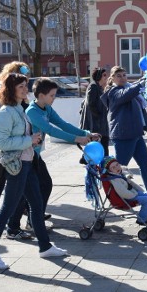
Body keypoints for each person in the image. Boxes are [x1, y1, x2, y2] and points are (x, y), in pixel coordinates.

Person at [0, 73, 66, 271]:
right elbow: (1, 144)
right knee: (6, 211)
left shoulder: (19, 109)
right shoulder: (4, 113)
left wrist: (31, 138)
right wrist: (29, 140)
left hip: (27, 164)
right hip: (16, 167)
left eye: (24, 85)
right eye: (19, 86)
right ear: (9, 90)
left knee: (37, 206)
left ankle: (45, 247)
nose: (24, 89)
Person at [24, 77, 99, 232]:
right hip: (26, 156)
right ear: (41, 95)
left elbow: (62, 124)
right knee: (38, 187)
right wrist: (77, 139)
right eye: (52, 95)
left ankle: (33, 219)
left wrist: (86, 133)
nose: (54, 98)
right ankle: (31, 222)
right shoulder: (32, 111)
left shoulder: (46, 108)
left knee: (40, 187)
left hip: (35, 155)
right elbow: (51, 130)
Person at [0, 61, 37, 231]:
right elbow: (7, 115)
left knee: (1, 173)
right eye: (23, 83)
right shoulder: (2, 90)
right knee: (5, 172)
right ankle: (9, 218)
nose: (26, 87)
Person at [101, 66, 147, 204]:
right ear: (112, 78)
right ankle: (117, 196)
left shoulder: (130, 89)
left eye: (124, 74)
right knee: (118, 168)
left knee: (145, 164)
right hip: (124, 135)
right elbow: (126, 94)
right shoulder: (113, 92)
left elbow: (137, 97)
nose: (122, 77)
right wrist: (143, 81)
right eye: (118, 75)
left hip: (136, 133)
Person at [100, 156, 147, 228]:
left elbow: (130, 181)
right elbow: (122, 192)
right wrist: (134, 196)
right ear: (109, 171)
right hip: (127, 197)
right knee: (146, 200)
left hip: (132, 193)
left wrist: (139, 190)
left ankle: (146, 217)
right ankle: (142, 219)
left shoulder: (119, 174)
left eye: (117, 165)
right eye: (113, 167)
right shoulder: (114, 179)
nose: (117, 168)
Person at [79, 67, 110, 164]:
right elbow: (90, 104)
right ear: (99, 76)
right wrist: (98, 114)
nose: (106, 77)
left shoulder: (99, 87)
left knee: (99, 141)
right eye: (104, 75)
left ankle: (85, 158)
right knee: (103, 140)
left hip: (100, 121)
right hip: (94, 122)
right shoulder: (93, 86)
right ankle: (106, 162)